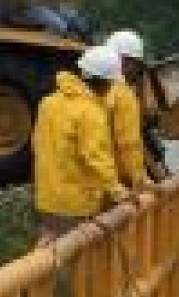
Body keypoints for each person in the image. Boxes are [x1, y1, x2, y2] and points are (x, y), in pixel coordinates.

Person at [32, 45, 130, 244]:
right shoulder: (90, 112)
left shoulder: (48, 103)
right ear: (103, 82)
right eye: (111, 83)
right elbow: (95, 156)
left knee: (48, 255)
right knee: (77, 262)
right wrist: (118, 190)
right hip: (75, 203)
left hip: (46, 198)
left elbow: (36, 144)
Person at [105, 29, 154, 188]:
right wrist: (140, 180)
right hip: (114, 179)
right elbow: (129, 144)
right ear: (124, 61)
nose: (137, 70)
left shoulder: (93, 86)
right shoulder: (123, 95)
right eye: (136, 63)